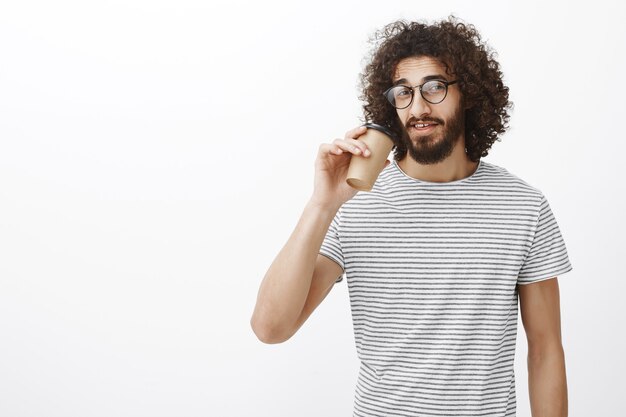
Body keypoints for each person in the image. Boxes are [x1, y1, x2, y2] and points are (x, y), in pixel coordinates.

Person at [251, 16, 572, 417]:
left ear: (468, 94)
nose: (418, 107)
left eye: (434, 88)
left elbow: (545, 351)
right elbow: (270, 328)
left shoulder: (524, 206)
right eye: (403, 92)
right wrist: (322, 205)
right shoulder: (354, 203)